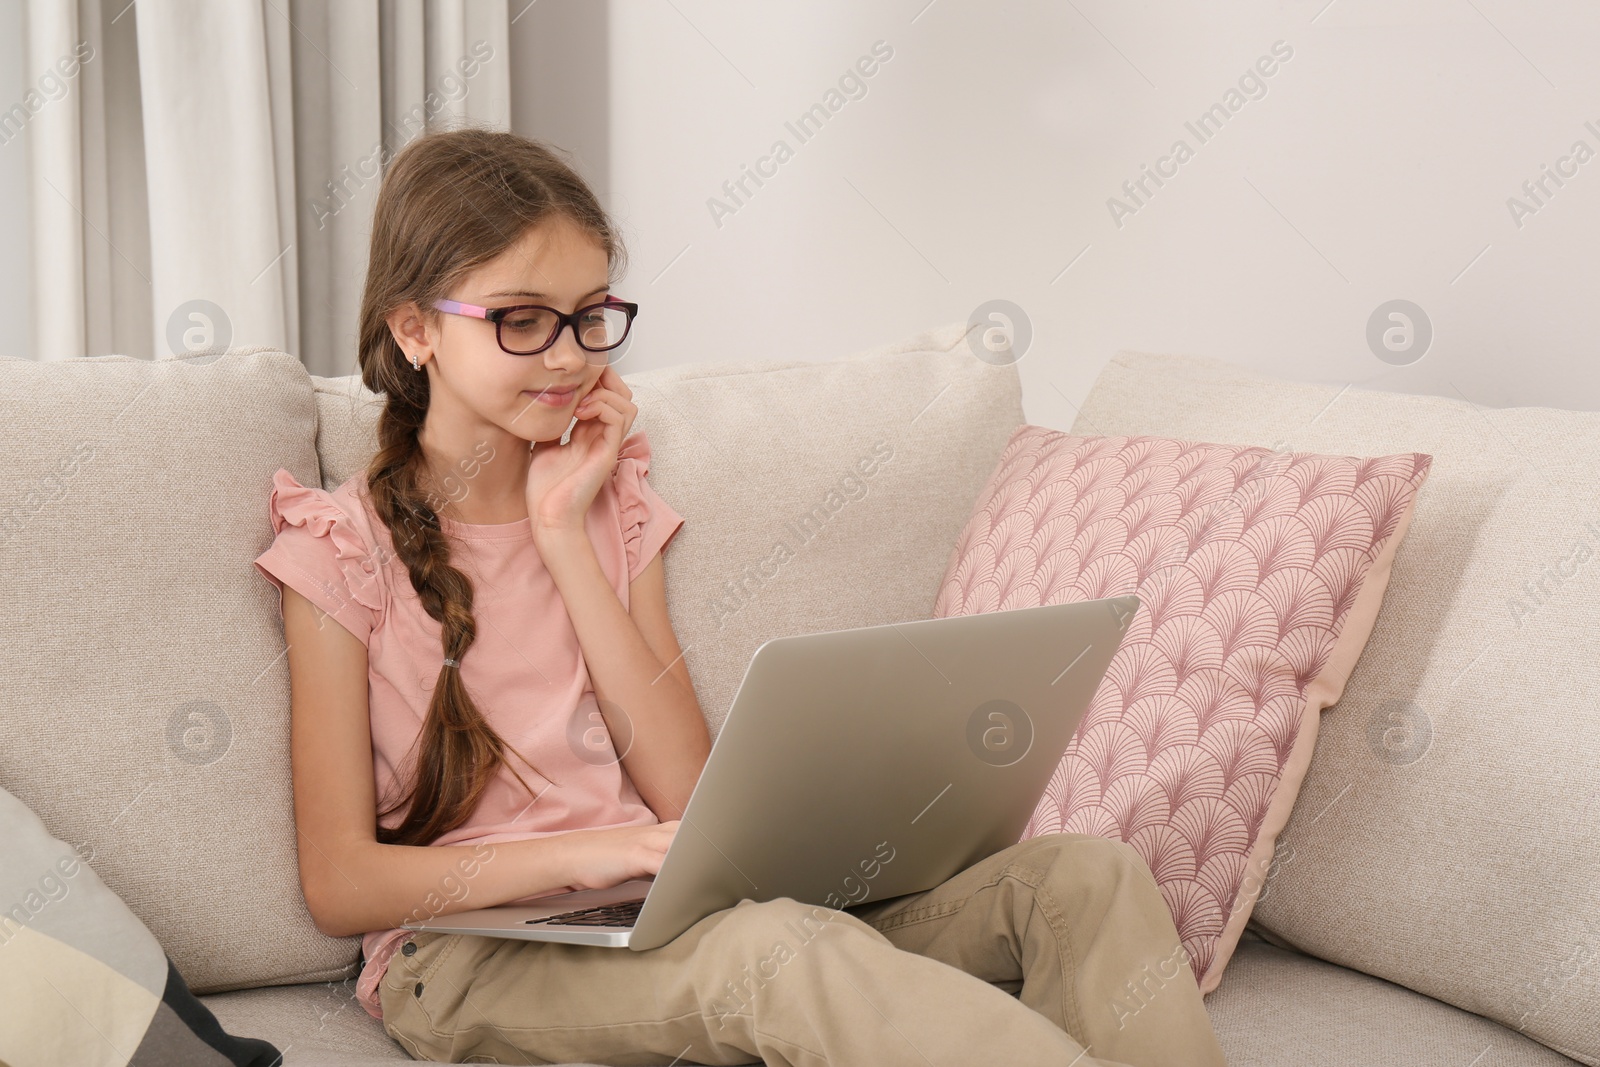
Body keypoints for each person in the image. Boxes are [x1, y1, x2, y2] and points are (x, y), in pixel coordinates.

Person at [253, 124, 1229, 1067]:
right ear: (414, 328)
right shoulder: (339, 548)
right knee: (779, 956)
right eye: (520, 320)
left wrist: (563, 535)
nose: (567, 355)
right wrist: (593, 854)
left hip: (661, 911)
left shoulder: (605, 509)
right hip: (464, 956)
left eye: (590, 314)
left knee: (1083, 878)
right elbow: (342, 880)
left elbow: (687, 792)